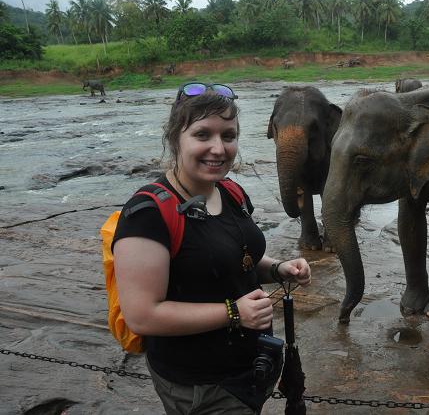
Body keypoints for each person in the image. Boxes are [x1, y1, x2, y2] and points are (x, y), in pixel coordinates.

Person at [112, 82, 312, 415]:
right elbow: (142, 315)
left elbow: (236, 259)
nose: (218, 148)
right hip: (200, 386)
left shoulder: (231, 192)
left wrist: (277, 268)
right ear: (176, 137)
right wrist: (234, 313)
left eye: (228, 136)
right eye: (203, 135)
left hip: (251, 369)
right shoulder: (148, 214)